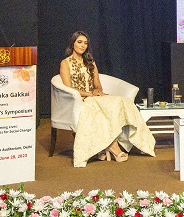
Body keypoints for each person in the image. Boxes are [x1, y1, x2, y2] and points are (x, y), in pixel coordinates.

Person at [60, 31, 155, 167]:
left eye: (85, 43)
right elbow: (68, 88)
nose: (82, 46)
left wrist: (97, 91)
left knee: (124, 102)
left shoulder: (90, 62)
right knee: (98, 111)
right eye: (79, 42)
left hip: (94, 97)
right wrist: (89, 94)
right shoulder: (65, 63)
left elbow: (98, 84)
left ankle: (142, 142)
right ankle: (113, 147)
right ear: (72, 43)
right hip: (78, 100)